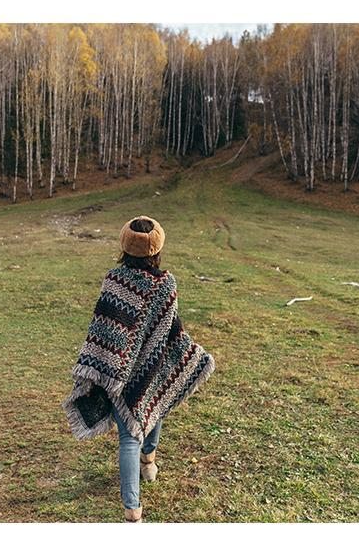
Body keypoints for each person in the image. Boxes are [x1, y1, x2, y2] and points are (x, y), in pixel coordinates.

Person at [62, 215, 216, 523]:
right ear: (157, 248)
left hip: (114, 372)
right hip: (145, 370)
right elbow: (170, 332)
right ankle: (147, 465)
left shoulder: (113, 280)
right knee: (151, 408)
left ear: (124, 245)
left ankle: (134, 507)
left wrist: (106, 364)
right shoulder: (166, 284)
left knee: (130, 435)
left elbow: (106, 330)